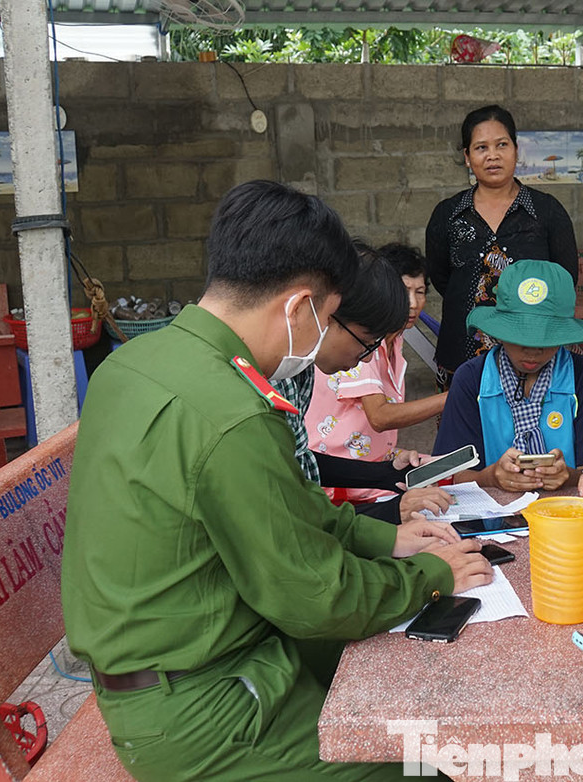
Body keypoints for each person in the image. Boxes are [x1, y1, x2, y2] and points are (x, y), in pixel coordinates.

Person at [62, 180, 492, 782]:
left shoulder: (135, 362)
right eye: (326, 315)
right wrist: (431, 575)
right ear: (297, 308)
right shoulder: (233, 412)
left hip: (187, 658)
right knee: (430, 767)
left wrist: (386, 540)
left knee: (388, 670)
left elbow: (283, 509)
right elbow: (317, 599)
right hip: (207, 708)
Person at [276, 246, 451, 524]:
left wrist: (387, 472)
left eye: (420, 292)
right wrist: (390, 512)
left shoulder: (301, 372)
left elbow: (301, 461)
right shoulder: (275, 378)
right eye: (365, 343)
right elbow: (291, 514)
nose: (367, 357)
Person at [426, 104, 578, 389]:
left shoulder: (546, 211)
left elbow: (566, 280)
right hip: (462, 354)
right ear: (467, 157)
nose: (492, 155)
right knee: (466, 432)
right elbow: (442, 279)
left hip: (533, 354)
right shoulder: (447, 214)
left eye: (501, 145)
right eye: (481, 147)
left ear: (516, 150)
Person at [433, 260, 583, 492]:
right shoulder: (471, 379)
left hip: (569, 517)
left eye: (545, 340)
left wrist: (569, 476)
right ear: (499, 333)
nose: (533, 351)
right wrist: (490, 477)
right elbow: (449, 476)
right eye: (521, 338)